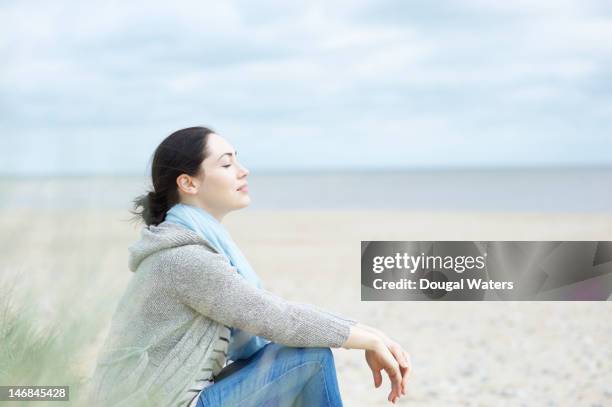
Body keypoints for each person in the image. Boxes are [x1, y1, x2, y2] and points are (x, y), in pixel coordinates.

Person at [86, 126, 411, 407]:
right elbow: (274, 317)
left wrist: (373, 335)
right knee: (309, 359)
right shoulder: (184, 258)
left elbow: (272, 313)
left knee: (289, 356)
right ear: (188, 183)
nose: (243, 171)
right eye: (227, 164)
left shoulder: (186, 244)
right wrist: (368, 339)